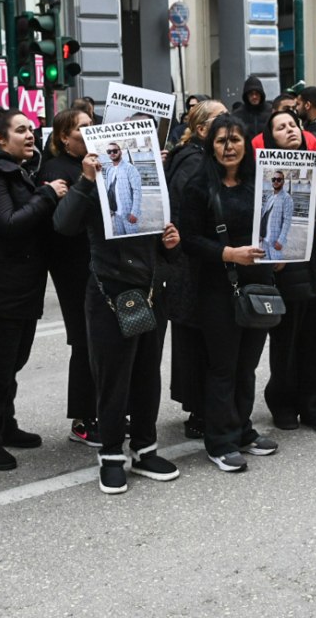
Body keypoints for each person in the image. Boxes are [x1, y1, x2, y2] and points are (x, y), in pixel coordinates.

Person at [53, 134, 183, 495]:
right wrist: (85, 181)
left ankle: (145, 449)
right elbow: (63, 224)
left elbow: (162, 237)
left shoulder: (149, 174)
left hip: (151, 289)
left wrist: (171, 244)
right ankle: (111, 455)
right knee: (112, 376)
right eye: (111, 147)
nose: (116, 153)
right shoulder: (92, 178)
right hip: (109, 290)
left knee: (146, 373)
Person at [0, 107, 67, 472]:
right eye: (21, 130)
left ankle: (6, 426)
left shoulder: (20, 169)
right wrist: (47, 195)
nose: (30, 135)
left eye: (32, 129)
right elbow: (8, 223)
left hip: (22, 286)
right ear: (0, 139)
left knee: (13, 361)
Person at [180, 115, 279, 472]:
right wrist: (227, 254)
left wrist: (281, 257)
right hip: (217, 289)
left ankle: (242, 430)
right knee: (223, 366)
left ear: (246, 144)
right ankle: (219, 441)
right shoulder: (198, 186)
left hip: (259, 285)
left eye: (235, 139)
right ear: (211, 146)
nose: (229, 147)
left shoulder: (260, 183)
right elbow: (188, 240)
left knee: (248, 366)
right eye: (221, 140)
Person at [262, 110, 316, 433]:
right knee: (287, 344)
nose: (290, 130)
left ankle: (315, 405)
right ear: (272, 138)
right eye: (281, 127)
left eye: (293, 125)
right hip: (287, 273)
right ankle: (282, 402)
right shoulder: (266, 173)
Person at [165, 99, 228, 440]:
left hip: (194, 264)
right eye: (220, 119)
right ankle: (201, 412)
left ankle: (202, 407)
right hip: (194, 267)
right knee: (200, 340)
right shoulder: (192, 162)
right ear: (202, 129)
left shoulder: (193, 156)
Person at [37, 109, 98, 446]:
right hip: (74, 266)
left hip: (96, 261)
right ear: (63, 137)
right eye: (82, 128)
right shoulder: (56, 170)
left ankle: (101, 410)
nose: (90, 132)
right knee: (85, 340)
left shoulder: (89, 161)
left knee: (100, 340)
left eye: (92, 126)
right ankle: (83, 419)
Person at [103, 141, 142, 235]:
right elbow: (109, 190)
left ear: (120, 151)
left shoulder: (130, 168)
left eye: (114, 151)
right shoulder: (109, 170)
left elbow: (137, 191)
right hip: (116, 214)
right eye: (109, 151)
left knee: (133, 242)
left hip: (129, 213)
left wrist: (134, 212)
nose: (112, 153)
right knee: (121, 241)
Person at [258, 169, 294, 262]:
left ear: (283, 182)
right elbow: (264, 216)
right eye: (274, 179)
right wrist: (260, 234)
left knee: (276, 266)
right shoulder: (270, 197)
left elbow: (287, 221)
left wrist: (281, 240)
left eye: (278, 179)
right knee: (266, 266)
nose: (276, 182)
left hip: (275, 241)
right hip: (265, 240)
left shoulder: (287, 198)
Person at [231, 75, 272, 139]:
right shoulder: (237, 115)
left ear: (261, 94)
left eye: (257, 93)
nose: (254, 97)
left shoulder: (271, 111)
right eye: (251, 94)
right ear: (246, 96)